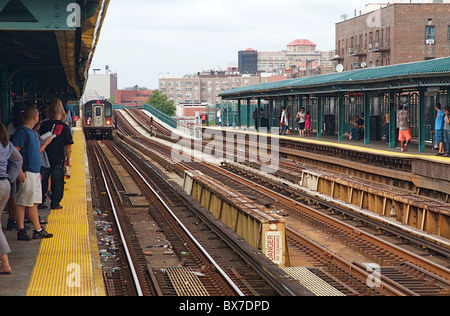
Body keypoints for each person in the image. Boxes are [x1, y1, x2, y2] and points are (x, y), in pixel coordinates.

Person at [12, 106, 53, 240]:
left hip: (34, 172)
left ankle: (38, 229)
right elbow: (14, 153)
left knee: (33, 202)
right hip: (27, 172)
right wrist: (19, 171)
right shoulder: (22, 132)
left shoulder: (31, 132)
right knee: (23, 202)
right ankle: (21, 230)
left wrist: (37, 171)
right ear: (35, 117)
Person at [39, 98, 73, 210]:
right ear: (62, 112)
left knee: (43, 180)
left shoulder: (44, 125)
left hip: (44, 158)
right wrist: (68, 159)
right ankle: (55, 203)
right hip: (58, 158)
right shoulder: (64, 127)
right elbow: (68, 145)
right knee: (57, 181)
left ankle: (41, 201)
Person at [0, 123, 22, 274]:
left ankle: (5, 263)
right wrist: (10, 179)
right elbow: (18, 160)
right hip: (4, 185)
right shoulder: (6, 145)